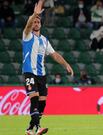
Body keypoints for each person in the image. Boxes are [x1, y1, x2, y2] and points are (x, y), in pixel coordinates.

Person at [23, 1, 74, 135]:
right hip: (29, 72)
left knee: (42, 103)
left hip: (41, 74)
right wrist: (35, 14)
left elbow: (54, 55)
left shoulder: (44, 40)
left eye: (38, 22)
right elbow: (28, 24)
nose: (36, 23)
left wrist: (66, 64)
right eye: (34, 21)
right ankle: (38, 127)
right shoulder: (27, 35)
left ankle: (29, 129)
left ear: (40, 24)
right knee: (34, 98)